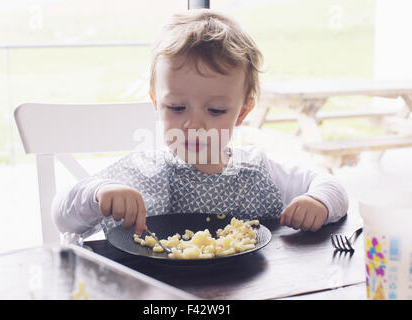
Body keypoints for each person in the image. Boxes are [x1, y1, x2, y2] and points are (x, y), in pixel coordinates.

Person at [51, 9, 348, 240]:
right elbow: (62, 217)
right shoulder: (140, 172)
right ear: (157, 104)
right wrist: (98, 193)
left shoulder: (258, 172)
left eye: (216, 110)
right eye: (177, 107)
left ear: (241, 114)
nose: (194, 124)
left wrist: (317, 201)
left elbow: (331, 186)